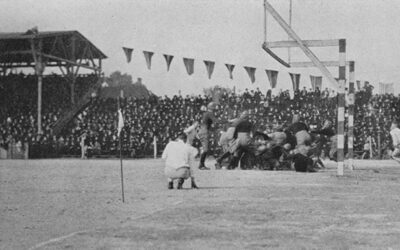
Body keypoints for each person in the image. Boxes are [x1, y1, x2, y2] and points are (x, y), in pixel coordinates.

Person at [197, 102, 222, 170]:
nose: (216, 109)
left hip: (202, 130)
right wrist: (228, 121)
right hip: (204, 131)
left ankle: (201, 165)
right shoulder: (209, 113)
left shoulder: (206, 113)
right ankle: (201, 165)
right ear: (212, 107)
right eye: (215, 107)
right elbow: (217, 121)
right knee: (205, 150)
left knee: (205, 149)